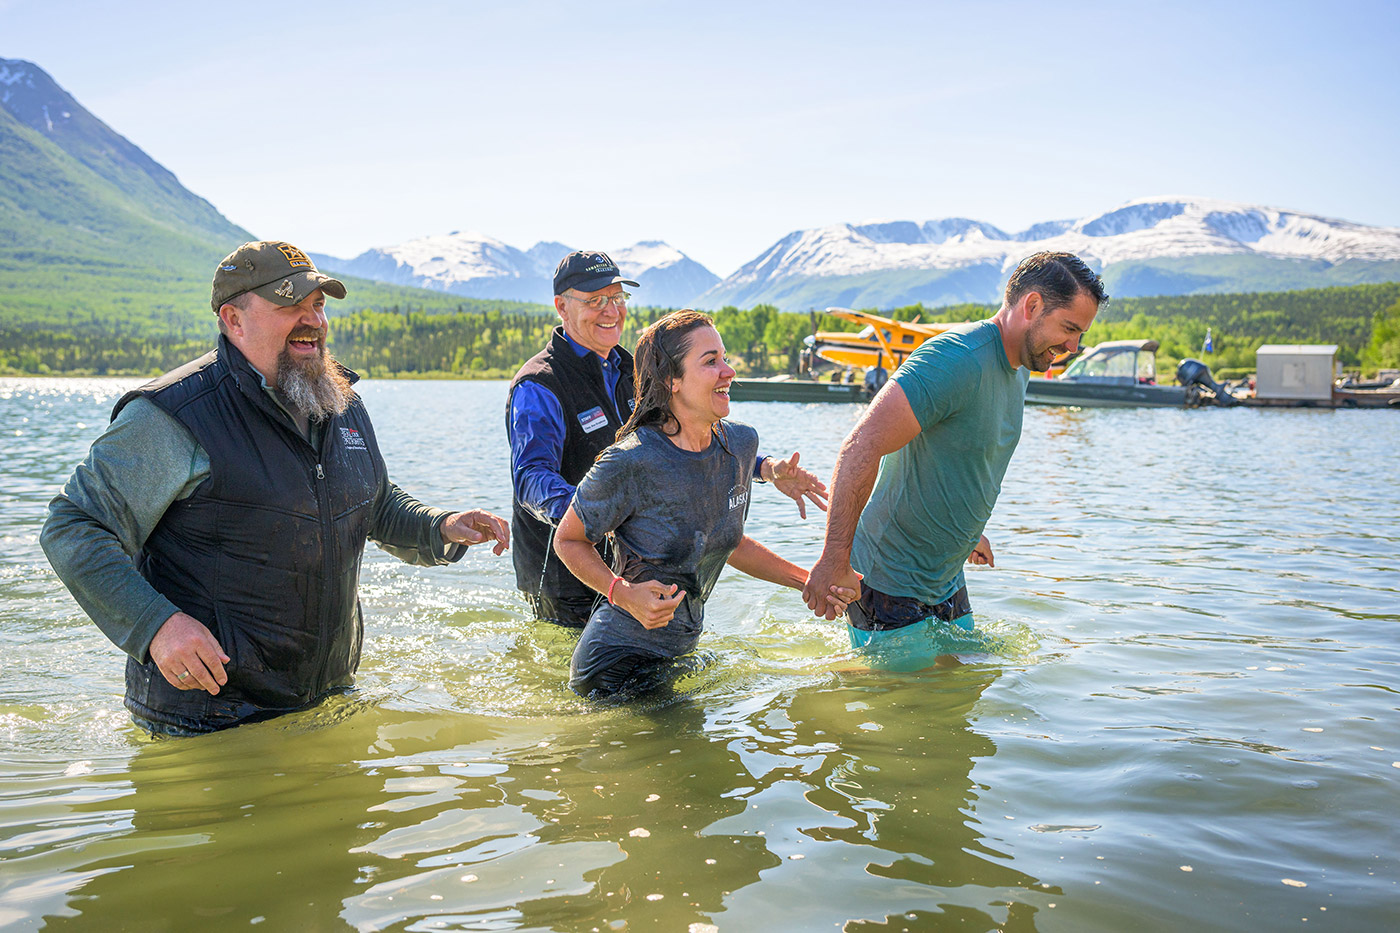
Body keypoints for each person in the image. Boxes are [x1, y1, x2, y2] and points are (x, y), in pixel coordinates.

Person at [41, 240, 510, 735]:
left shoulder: (339, 402)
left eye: (318, 304)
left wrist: (442, 526)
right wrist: (155, 625)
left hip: (327, 701)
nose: (313, 320)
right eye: (290, 304)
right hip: (209, 719)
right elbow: (74, 525)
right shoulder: (173, 415)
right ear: (233, 319)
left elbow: (372, 504)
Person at [507, 250, 829, 629]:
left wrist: (763, 468)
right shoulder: (539, 384)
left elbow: (684, 439)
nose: (611, 311)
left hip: (637, 571)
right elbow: (530, 479)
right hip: (567, 578)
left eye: (617, 298)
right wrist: (599, 513)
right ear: (561, 306)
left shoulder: (635, 368)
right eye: (595, 301)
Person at [801, 251, 1107, 649]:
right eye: (1069, 328)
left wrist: (968, 532)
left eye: (1081, 334)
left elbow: (960, 454)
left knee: (963, 693)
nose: (1074, 345)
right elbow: (862, 446)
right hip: (886, 578)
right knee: (905, 705)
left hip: (944, 577)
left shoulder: (1021, 369)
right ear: (1031, 306)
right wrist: (833, 559)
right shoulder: (956, 358)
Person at [552, 311, 855, 697]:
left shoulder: (740, 445)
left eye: (724, 358)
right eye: (710, 361)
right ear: (671, 380)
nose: (728, 371)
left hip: (677, 653)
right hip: (616, 664)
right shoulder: (630, 462)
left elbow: (727, 542)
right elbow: (568, 540)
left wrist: (809, 582)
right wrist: (621, 593)